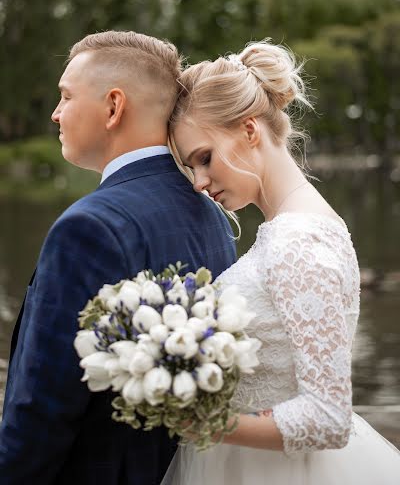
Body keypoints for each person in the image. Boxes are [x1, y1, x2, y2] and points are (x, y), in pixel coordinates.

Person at [0, 31, 236, 485]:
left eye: (66, 96)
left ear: (113, 106)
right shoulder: (212, 214)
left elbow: (43, 407)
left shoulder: (88, 226)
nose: (55, 113)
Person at [163, 40, 400, 484]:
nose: (198, 182)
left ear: (249, 130)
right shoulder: (289, 228)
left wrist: (203, 424)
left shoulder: (299, 241)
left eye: (204, 158)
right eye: (191, 167)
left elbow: (329, 417)